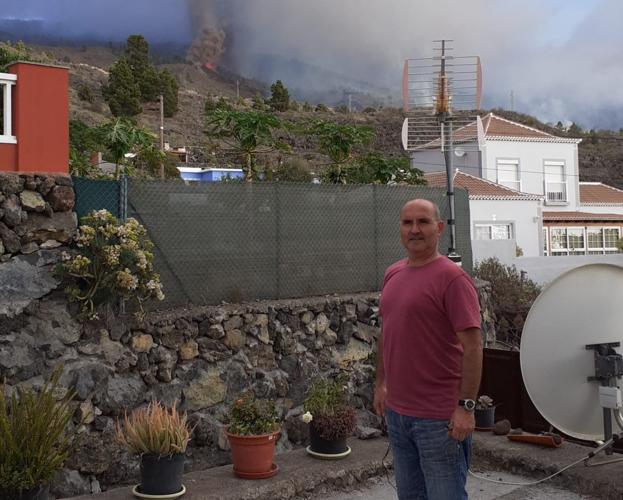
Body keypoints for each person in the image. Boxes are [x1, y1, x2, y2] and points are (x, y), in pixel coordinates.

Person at [374, 198, 482, 500]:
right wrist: (381, 383)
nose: (414, 230)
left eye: (422, 222)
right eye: (407, 222)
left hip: (440, 420)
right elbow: (388, 331)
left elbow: (473, 347)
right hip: (398, 414)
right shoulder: (393, 273)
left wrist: (466, 408)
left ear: (438, 228)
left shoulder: (453, 279)